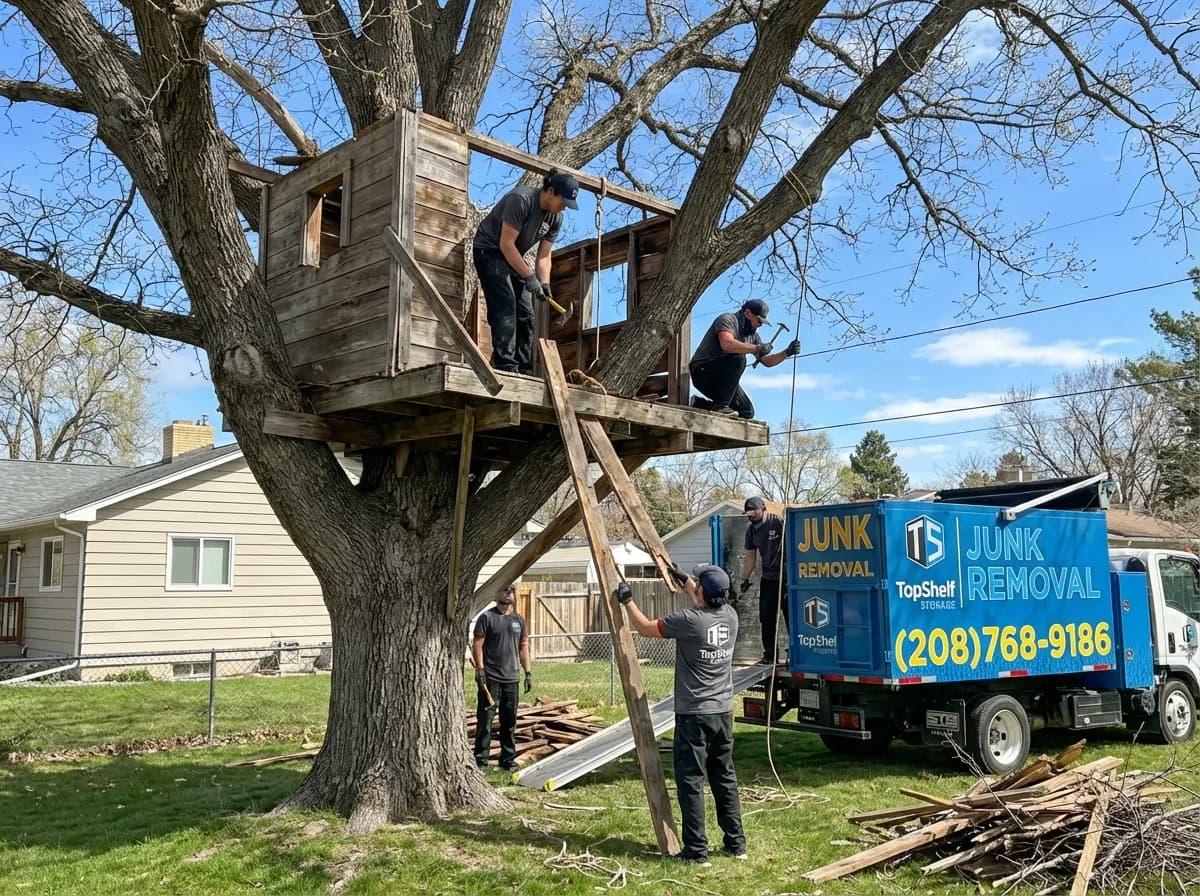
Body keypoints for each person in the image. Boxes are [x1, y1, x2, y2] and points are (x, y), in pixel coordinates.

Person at [616, 566, 747, 866]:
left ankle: (696, 851)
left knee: (691, 781)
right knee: (724, 778)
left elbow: (646, 628)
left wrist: (627, 601)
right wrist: (688, 583)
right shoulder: (730, 616)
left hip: (693, 717)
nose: (695, 587)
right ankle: (736, 844)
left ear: (703, 593)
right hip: (723, 713)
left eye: (698, 585)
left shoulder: (689, 622)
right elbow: (705, 598)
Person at [472, 170, 580, 374]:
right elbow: (506, 244)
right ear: (550, 191)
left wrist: (544, 283)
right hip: (490, 251)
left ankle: (524, 368)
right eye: (562, 202)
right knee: (506, 304)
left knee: (527, 314)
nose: (563, 207)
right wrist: (529, 278)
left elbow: (544, 256)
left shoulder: (555, 218)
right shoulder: (521, 200)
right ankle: (506, 365)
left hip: (514, 256)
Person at [688, 299, 801, 418]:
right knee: (739, 358)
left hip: (721, 382)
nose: (759, 325)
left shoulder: (753, 336)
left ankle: (699, 404)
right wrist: (757, 348)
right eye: (759, 321)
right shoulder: (728, 319)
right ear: (748, 313)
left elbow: (767, 361)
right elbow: (727, 344)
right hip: (702, 372)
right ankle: (721, 407)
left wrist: (787, 353)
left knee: (747, 412)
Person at [471, 583, 532, 770]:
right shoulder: (487, 618)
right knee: (486, 720)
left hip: (512, 678)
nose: (509, 593)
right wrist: (480, 671)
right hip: (491, 678)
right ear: (496, 593)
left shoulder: (518, 621)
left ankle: (507, 760)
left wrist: (528, 672)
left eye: (512, 590)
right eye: (505, 589)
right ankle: (480, 759)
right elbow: (478, 645)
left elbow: (523, 647)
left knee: (509, 721)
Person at [740, 496, 789, 665]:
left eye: (754, 511)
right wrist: (744, 579)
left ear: (762, 509)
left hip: (787, 578)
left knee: (791, 616)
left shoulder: (778, 522)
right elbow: (750, 556)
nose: (751, 515)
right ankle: (770, 655)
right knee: (766, 617)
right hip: (768, 579)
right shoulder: (751, 531)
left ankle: (796, 653)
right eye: (748, 513)